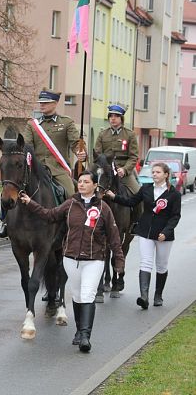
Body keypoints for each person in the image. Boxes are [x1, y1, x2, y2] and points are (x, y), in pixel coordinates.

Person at [20, 171, 124, 353]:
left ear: (95, 185)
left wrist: (119, 260)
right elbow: (49, 214)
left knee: (87, 295)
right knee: (76, 296)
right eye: (80, 181)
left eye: (86, 182)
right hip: (71, 259)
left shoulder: (104, 208)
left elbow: (114, 236)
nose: (81, 184)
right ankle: (78, 331)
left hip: (94, 259)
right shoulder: (70, 204)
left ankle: (85, 336)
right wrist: (30, 203)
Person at [0, 88, 87, 238]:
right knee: (12, 188)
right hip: (36, 168)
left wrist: (81, 153)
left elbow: (75, 143)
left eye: (45, 102)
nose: (42, 105)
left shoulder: (66, 123)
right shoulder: (33, 125)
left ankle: (72, 226)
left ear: (55, 103)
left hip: (58, 169)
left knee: (70, 193)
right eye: (40, 103)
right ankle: (5, 222)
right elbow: (25, 145)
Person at [106, 162, 181, 310]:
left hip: (163, 235)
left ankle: (158, 295)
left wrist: (166, 232)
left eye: (158, 172)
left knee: (161, 265)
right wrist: (114, 197)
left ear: (166, 175)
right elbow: (131, 202)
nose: (154, 174)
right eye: (153, 172)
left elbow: (175, 216)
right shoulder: (146, 189)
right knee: (145, 262)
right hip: (145, 231)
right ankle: (144, 296)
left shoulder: (174, 194)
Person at [94, 105, 140, 194]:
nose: (113, 118)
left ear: (121, 118)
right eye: (111, 116)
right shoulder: (102, 134)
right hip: (105, 171)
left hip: (123, 171)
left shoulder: (130, 135)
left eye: (116, 116)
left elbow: (133, 157)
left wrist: (125, 169)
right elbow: (97, 154)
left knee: (138, 193)